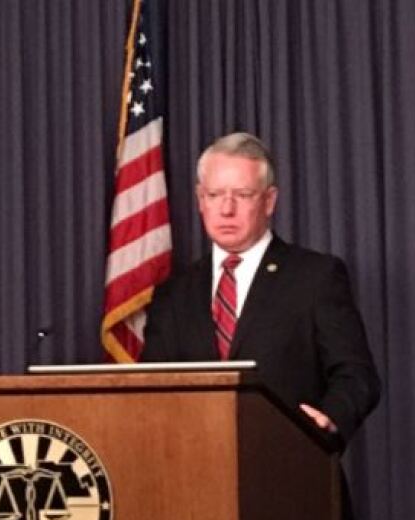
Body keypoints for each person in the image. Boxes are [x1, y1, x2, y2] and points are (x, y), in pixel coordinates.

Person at [142, 132, 380, 446]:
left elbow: (356, 376)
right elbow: (150, 390)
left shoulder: (316, 277)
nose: (226, 209)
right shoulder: (173, 294)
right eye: (215, 195)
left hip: (291, 467)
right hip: (193, 473)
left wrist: (328, 418)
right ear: (201, 200)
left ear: (269, 201)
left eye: (242, 195)